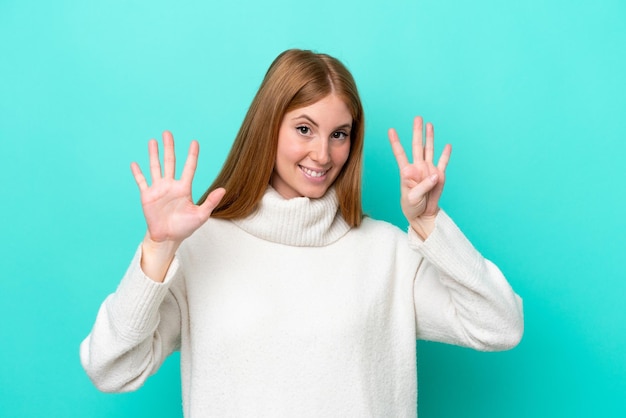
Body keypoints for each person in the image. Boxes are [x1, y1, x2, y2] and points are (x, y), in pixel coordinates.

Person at [80, 49, 523, 417]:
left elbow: (500, 326)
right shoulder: (201, 249)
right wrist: (158, 248)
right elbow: (111, 369)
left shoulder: (387, 252)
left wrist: (429, 224)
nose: (323, 153)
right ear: (267, 127)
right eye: (305, 129)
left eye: (339, 134)